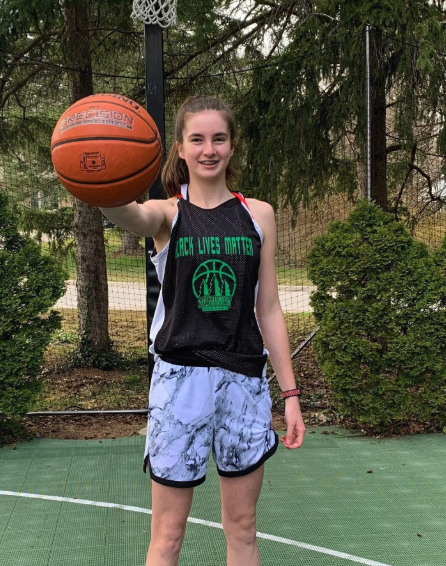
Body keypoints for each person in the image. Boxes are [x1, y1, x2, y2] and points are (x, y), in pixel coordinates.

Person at [99, 95, 305, 566]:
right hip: (180, 383)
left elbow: (269, 308)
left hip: (244, 384)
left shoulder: (259, 214)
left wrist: (290, 394)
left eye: (219, 138)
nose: (208, 149)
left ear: (232, 147)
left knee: (243, 529)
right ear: (180, 148)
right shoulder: (166, 214)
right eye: (198, 139)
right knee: (168, 536)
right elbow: (129, 215)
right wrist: (101, 182)